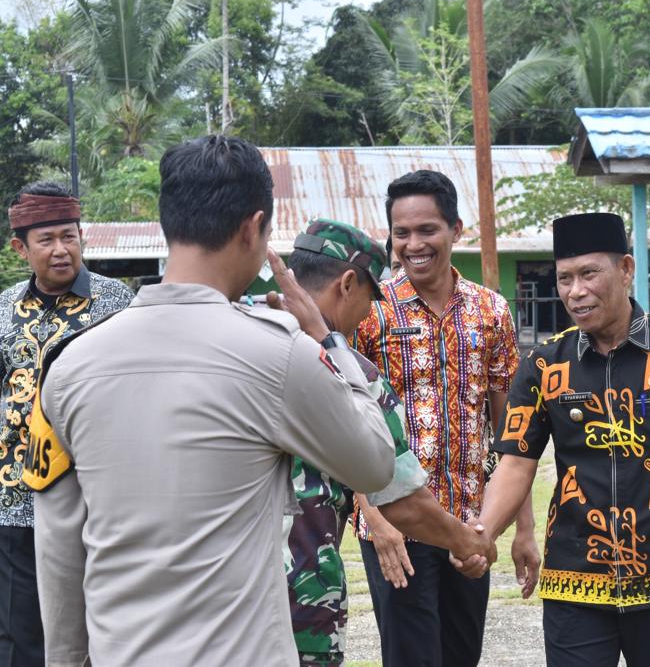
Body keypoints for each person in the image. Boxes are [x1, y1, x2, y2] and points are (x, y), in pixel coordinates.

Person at [25, 135, 399, 666]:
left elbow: (59, 551)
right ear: (253, 228)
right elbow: (375, 463)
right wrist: (327, 340)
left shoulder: (68, 368)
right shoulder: (279, 355)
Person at [479, 212, 650, 667]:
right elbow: (516, 461)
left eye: (589, 273)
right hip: (575, 573)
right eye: (564, 278)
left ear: (626, 269)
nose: (575, 291)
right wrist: (483, 534)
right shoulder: (546, 364)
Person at [284, 219, 496, 666]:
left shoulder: (232, 345)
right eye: (368, 298)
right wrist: (466, 542)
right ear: (346, 285)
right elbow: (400, 495)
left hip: (214, 598)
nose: (368, 314)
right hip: (301, 601)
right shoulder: (353, 375)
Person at [353, 170, 540, 667]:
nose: (413, 244)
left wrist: (522, 528)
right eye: (401, 233)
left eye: (427, 230)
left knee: (461, 657)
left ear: (456, 229)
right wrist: (374, 521)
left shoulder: (491, 313)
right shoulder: (371, 313)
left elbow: (510, 435)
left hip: (471, 528)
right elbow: (343, 429)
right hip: (398, 528)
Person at [0, 182, 134, 667]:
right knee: (18, 638)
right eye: (46, 240)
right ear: (20, 247)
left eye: (69, 236)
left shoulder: (116, 303)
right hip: (15, 502)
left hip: (95, 503)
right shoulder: (3, 309)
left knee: (98, 633)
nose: (61, 250)